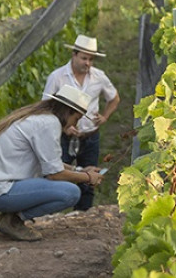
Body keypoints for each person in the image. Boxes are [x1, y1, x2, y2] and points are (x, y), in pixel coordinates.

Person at [0, 85, 105, 242]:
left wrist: (80, 169)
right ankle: (13, 221)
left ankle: (10, 219)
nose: (74, 126)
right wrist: (88, 178)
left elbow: (52, 164)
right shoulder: (48, 124)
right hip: (0, 191)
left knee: (69, 188)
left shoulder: (40, 118)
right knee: (70, 193)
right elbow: (54, 174)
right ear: (68, 111)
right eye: (76, 119)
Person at [41, 34, 119, 210]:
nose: (88, 63)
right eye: (84, 58)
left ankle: (82, 217)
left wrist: (105, 117)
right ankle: (52, 217)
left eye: (91, 59)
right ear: (74, 55)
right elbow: (45, 106)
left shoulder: (99, 77)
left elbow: (114, 98)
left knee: (89, 179)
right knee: (56, 174)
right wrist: (64, 127)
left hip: (90, 136)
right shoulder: (57, 77)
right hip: (63, 137)